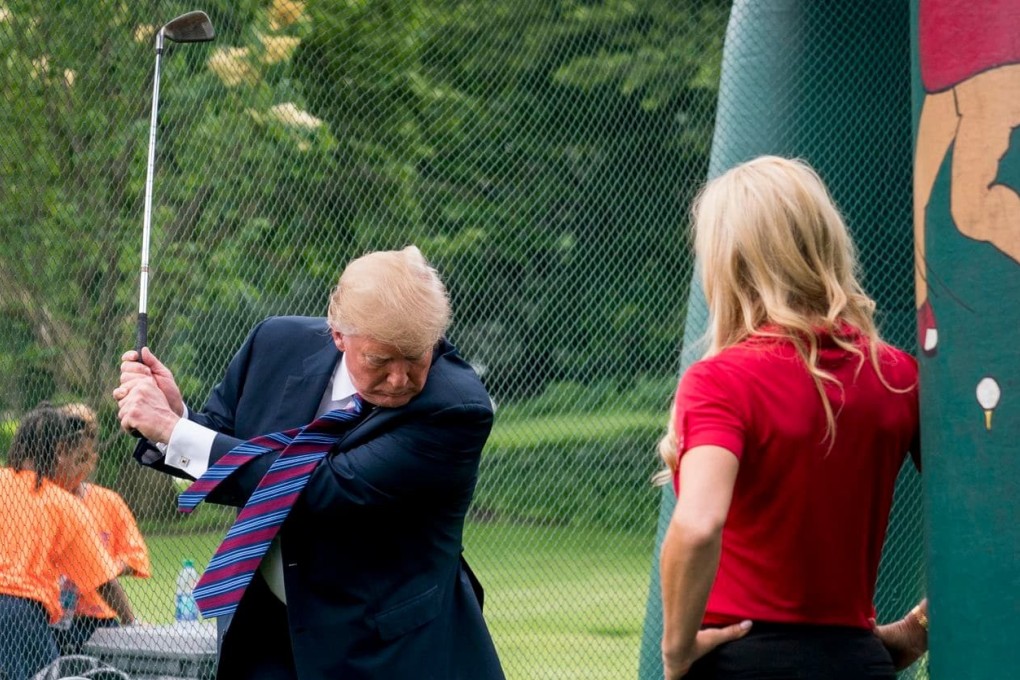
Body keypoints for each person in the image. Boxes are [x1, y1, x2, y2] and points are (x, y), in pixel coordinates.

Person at [114, 245, 504, 679]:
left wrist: (173, 429)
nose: (399, 378)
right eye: (380, 360)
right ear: (338, 335)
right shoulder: (275, 344)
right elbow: (227, 446)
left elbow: (320, 490)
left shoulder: (455, 408)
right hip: (265, 637)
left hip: (384, 652)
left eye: (416, 357)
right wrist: (178, 417)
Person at [655, 156, 929, 679]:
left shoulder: (721, 381)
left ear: (725, 261)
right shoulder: (899, 377)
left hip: (739, 663)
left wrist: (676, 648)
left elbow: (697, 525)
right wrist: (919, 628)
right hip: (856, 664)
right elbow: (993, 518)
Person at [0, 403, 134, 680]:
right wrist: (131, 621)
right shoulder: (62, 503)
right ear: (60, 450)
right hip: (20, 613)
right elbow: (101, 580)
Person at [52, 402, 150, 656]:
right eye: (76, 457)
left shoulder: (109, 502)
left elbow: (135, 557)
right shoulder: (44, 501)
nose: (81, 466)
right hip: (51, 615)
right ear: (58, 453)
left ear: (93, 457)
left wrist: (105, 566)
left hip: (99, 617)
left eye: (86, 457)